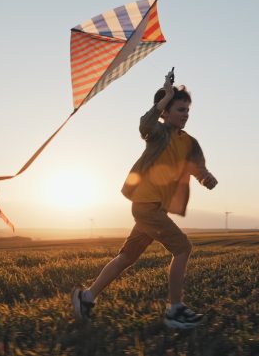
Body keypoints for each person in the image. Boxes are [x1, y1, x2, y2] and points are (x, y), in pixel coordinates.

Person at [71, 68, 218, 329]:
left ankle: (87, 297)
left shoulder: (191, 143)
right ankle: (175, 310)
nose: (185, 115)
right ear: (165, 112)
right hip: (146, 206)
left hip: (152, 211)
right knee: (183, 248)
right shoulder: (158, 133)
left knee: (127, 257)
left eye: (187, 110)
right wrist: (167, 94)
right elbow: (145, 124)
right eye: (179, 109)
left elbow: (198, 167)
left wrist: (206, 178)